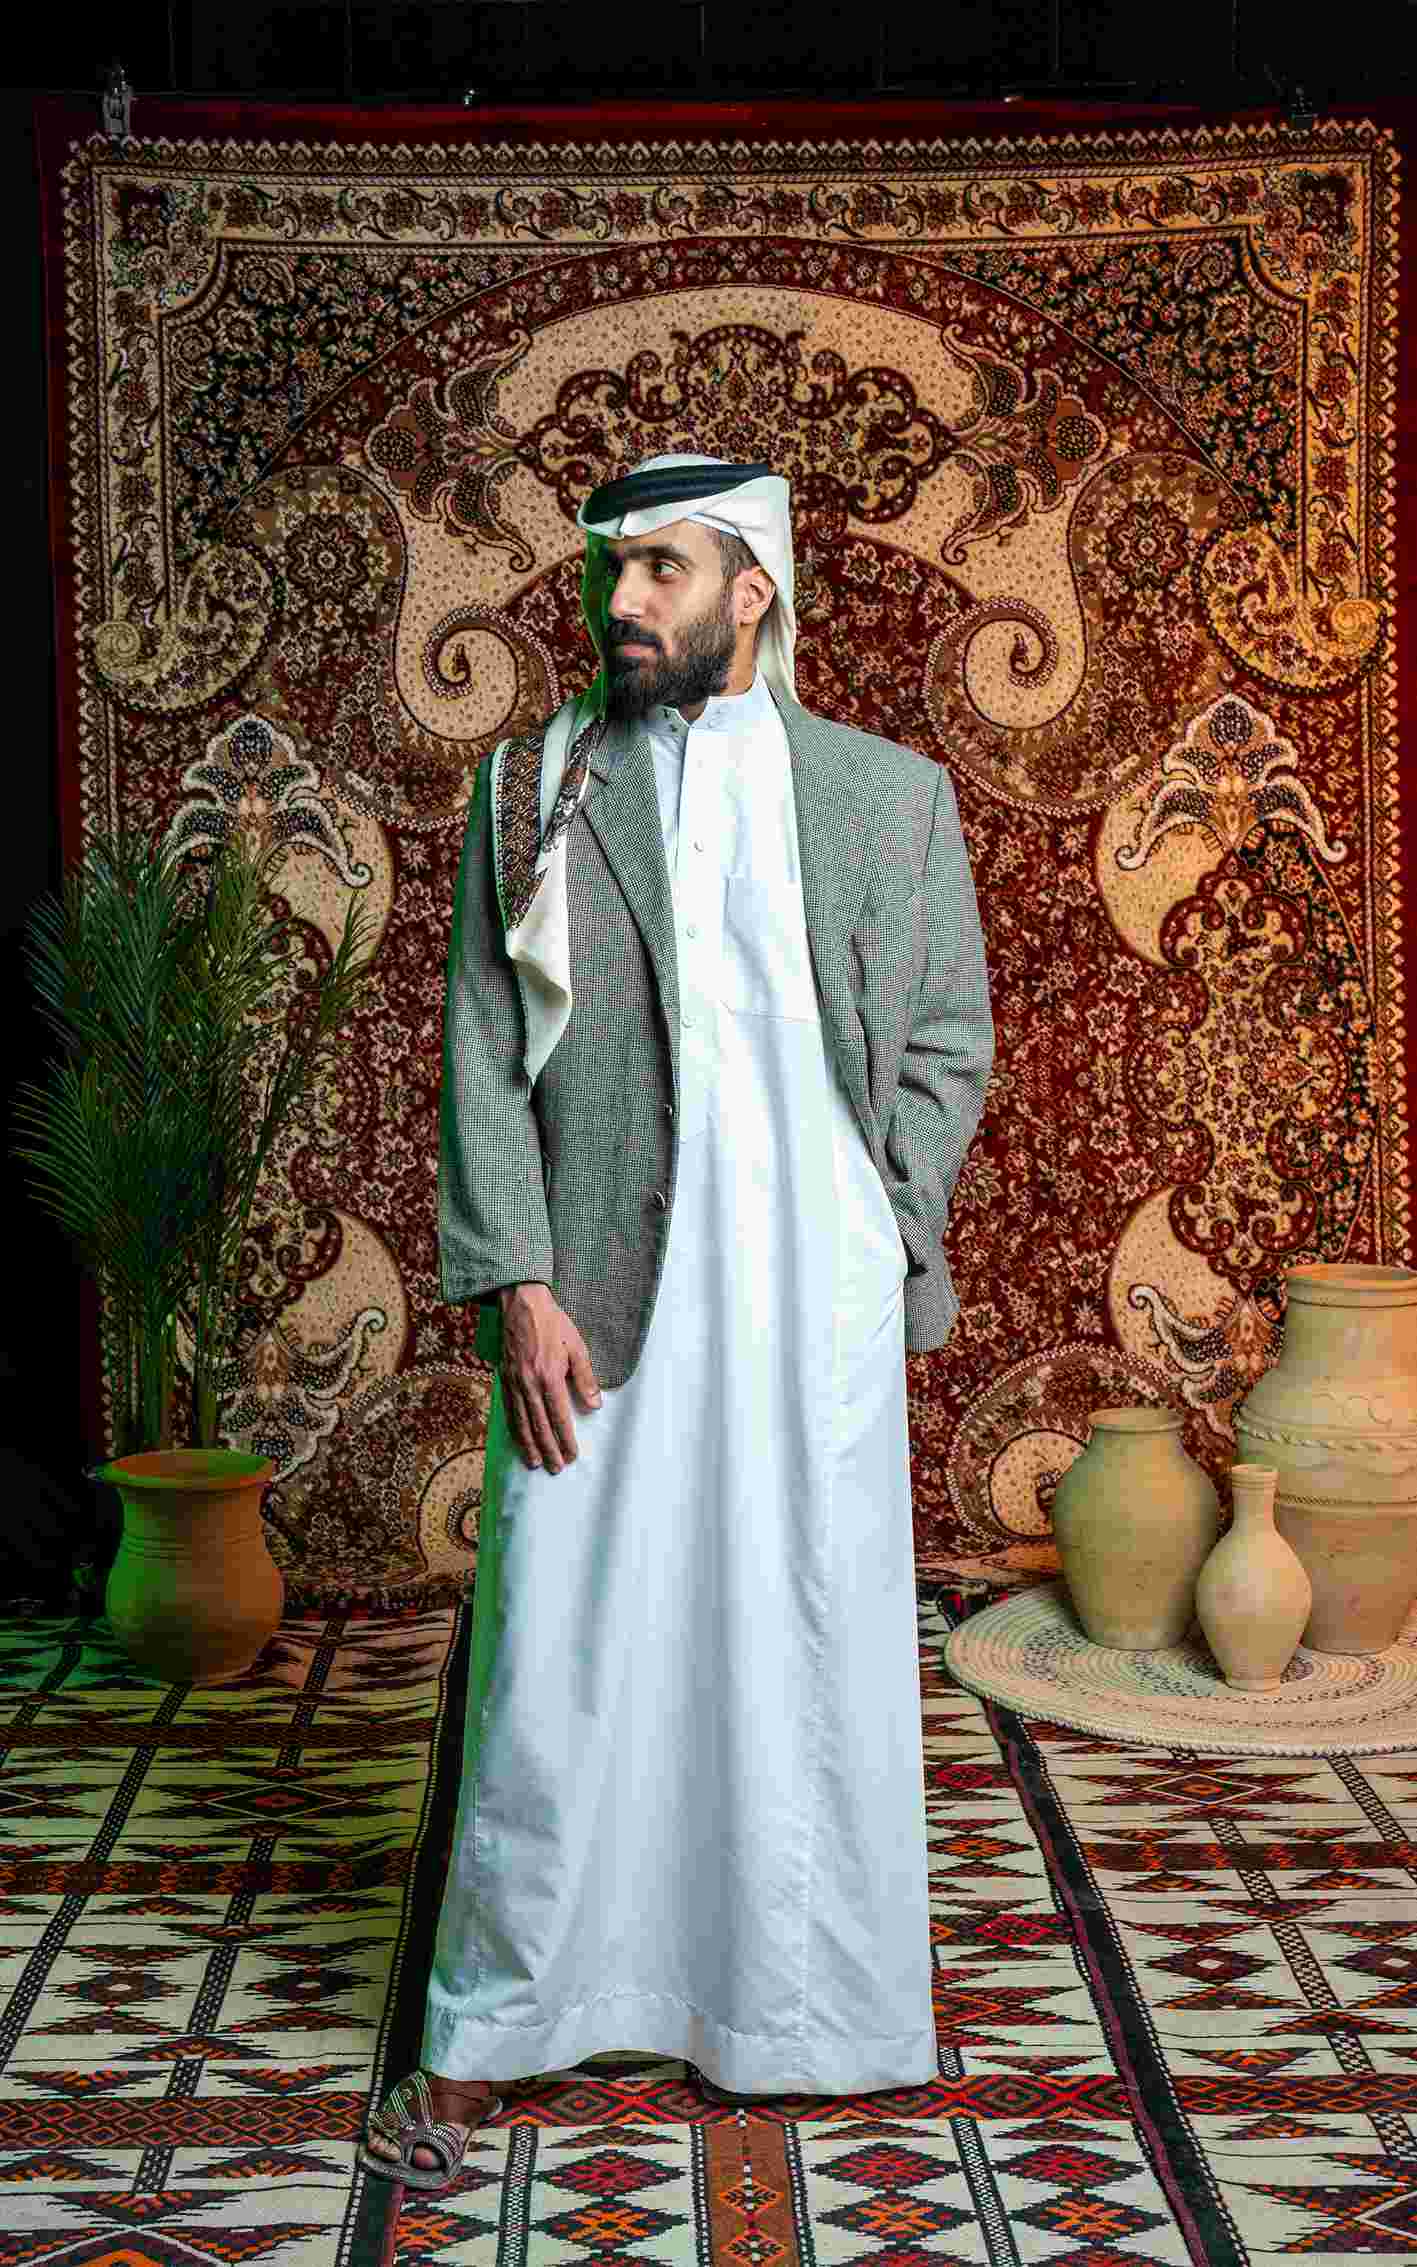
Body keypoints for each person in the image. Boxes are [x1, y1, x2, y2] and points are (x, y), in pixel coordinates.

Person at [360, 454, 994, 2190]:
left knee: (803, 1629)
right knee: (563, 1641)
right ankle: (500, 2025)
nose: (619, 603)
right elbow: (483, 1043)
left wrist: (884, 1225)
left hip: (813, 1290)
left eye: (659, 571)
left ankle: (807, 2015)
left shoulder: (887, 795)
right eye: (608, 572)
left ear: (750, 589)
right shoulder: (534, 782)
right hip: (602, 1283)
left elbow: (947, 1033)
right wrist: (517, 1279)